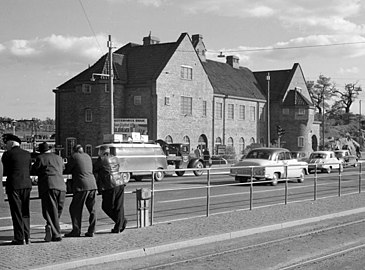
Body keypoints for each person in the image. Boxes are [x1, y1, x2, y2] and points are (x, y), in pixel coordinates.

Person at [31, 142, 66, 242]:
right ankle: (51, 228)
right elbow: (63, 169)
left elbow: (34, 170)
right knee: (58, 210)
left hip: (49, 185)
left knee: (50, 210)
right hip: (61, 186)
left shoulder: (41, 158)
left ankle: (56, 233)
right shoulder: (59, 158)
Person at [1, 133, 32, 245]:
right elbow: (29, 168)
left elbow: (6, 170)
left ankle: (19, 238)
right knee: (25, 211)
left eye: (7, 143)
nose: (6, 146)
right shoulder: (27, 154)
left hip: (14, 185)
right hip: (27, 185)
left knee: (16, 212)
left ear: (11, 143)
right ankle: (27, 236)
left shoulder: (7, 155)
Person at [64, 144, 98, 237]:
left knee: (75, 209)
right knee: (92, 209)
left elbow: (67, 169)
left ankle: (76, 230)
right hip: (93, 184)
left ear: (74, 151)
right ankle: (92, 230)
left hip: (82, 186)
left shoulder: (74, 157)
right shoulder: (87, 156)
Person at [93, 145, 127, 234]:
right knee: (119, 206)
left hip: (110, 185)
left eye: (99, 151)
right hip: (120, 182)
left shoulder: (101, 159)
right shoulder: (115, 158)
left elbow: (94, 169)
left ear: (102, 152)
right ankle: (119, 225)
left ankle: (121, 222)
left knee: (106, 206)